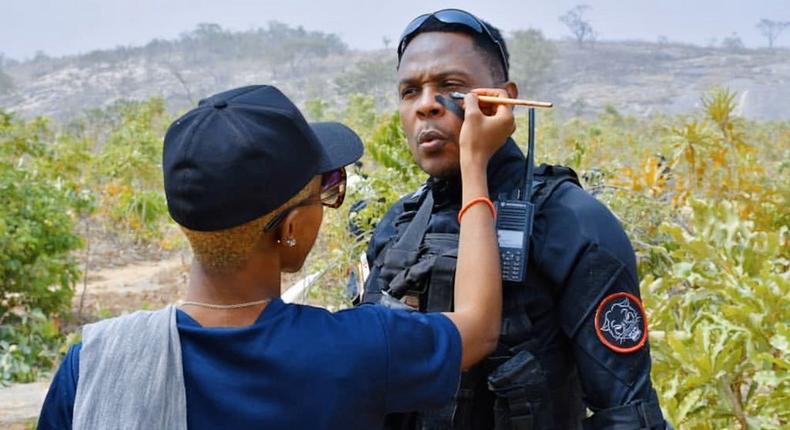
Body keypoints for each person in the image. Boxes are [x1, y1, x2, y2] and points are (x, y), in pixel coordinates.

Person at [36, 84, 514, 429]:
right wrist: (474, 164)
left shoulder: (92, 365)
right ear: (288, 228)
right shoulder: (360, 349)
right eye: (326, 190)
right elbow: (479, 324)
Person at [358, 9, 671, 430]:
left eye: (450, 86)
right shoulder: (400, 224)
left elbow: (627, 414)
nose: (426, 105)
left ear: (503, 98)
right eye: (409, 91)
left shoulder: (571, 222)